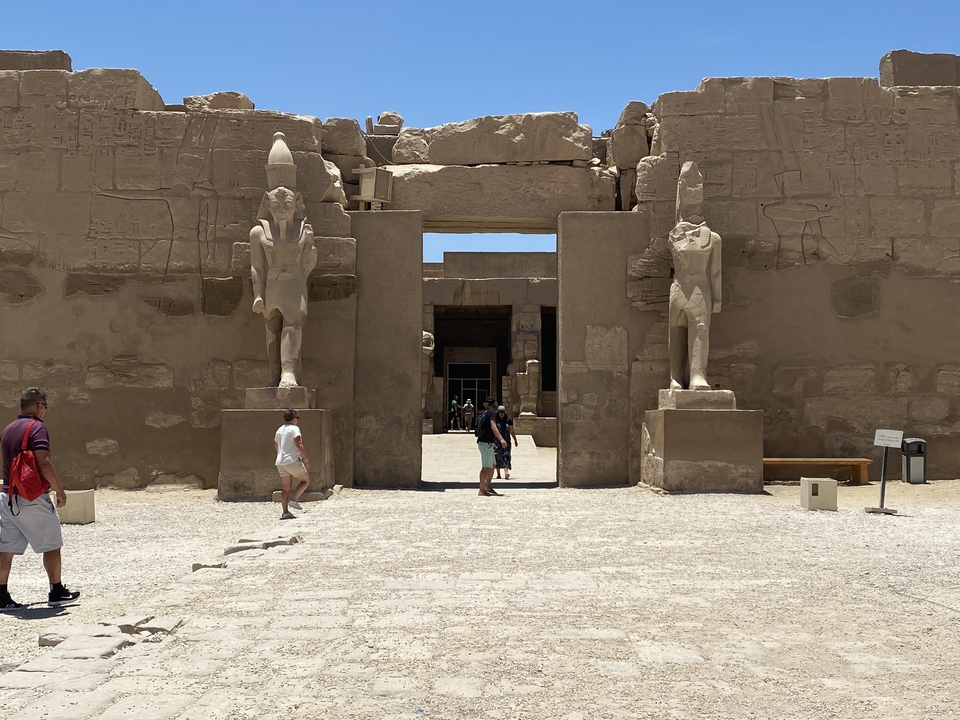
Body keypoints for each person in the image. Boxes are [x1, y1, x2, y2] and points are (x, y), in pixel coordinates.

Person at [0, 387, 80, 610]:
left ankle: (1, 595)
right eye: (45, 406)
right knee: (52, 543)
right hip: (31, 496)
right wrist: (59, 490)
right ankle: (56, 590)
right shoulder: (36, 428)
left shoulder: (8, 429)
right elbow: (43, 462)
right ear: (38, 406)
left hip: (7, 495)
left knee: (5, 547)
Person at [250, 132, 318, 388]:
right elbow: (256, 267)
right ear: (267, 204)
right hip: (271, 286)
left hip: (295, 284)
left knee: (293, 324)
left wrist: (310, 251)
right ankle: (274, 375)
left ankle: (288, 373)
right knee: (271, 329)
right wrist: (258, 294)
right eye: (275, 203)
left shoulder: (303, 231)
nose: (281, 208)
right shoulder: (258, 233)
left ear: (296, 202)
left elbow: (309, 263)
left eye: (286, 202)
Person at [275, 409, 310, 519]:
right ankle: (294, 500)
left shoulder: (279, 430)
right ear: (294, 419)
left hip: (280, 461)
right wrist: (305, 458)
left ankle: (285, 512)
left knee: (286, 487)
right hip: (291, 460)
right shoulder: (294, 429)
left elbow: (276, 445)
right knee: (305, 480)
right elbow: (298, 443)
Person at [475, 396, 508, 497]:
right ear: (494, 404)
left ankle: (488, 486)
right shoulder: (491, 413)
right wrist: (501, 439)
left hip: (487, 443)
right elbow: (493, 426)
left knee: (493, 465)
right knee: (486, 467)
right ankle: (481, 489)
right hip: (485, 444)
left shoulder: (484, 412)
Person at [493, 406, 518, 480]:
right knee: (497, 456)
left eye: (503, 412)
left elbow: (512, 430)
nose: (501, 414)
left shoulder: (508, 420)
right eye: (500, 412)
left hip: (506, 441)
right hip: (497, 441)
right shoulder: (495, 421)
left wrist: (515, 440)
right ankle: (498, 474)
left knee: (506, 455)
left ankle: (506, 473)